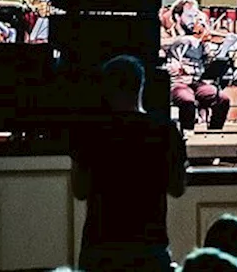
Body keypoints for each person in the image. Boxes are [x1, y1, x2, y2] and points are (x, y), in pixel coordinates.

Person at [72, 55, 187, 272]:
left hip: (99, 248)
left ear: (105, 89)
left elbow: (79, 190)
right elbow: (177, 188)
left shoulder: (91, 132)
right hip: (149, 247)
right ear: (141, 86)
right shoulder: (165, 131)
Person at [161, 0, 231, 132]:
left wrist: (211, 50)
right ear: (177, 17)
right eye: (189, 16)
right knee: (187, 100)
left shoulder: (199, 35)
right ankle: (187, 137)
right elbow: (158, 45)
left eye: (195, 16)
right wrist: (181, 40)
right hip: (177, 82)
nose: (193, 20)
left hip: (197, 81)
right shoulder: (168, 33)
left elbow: (209, 60)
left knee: (222, 99)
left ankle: (214, 134)